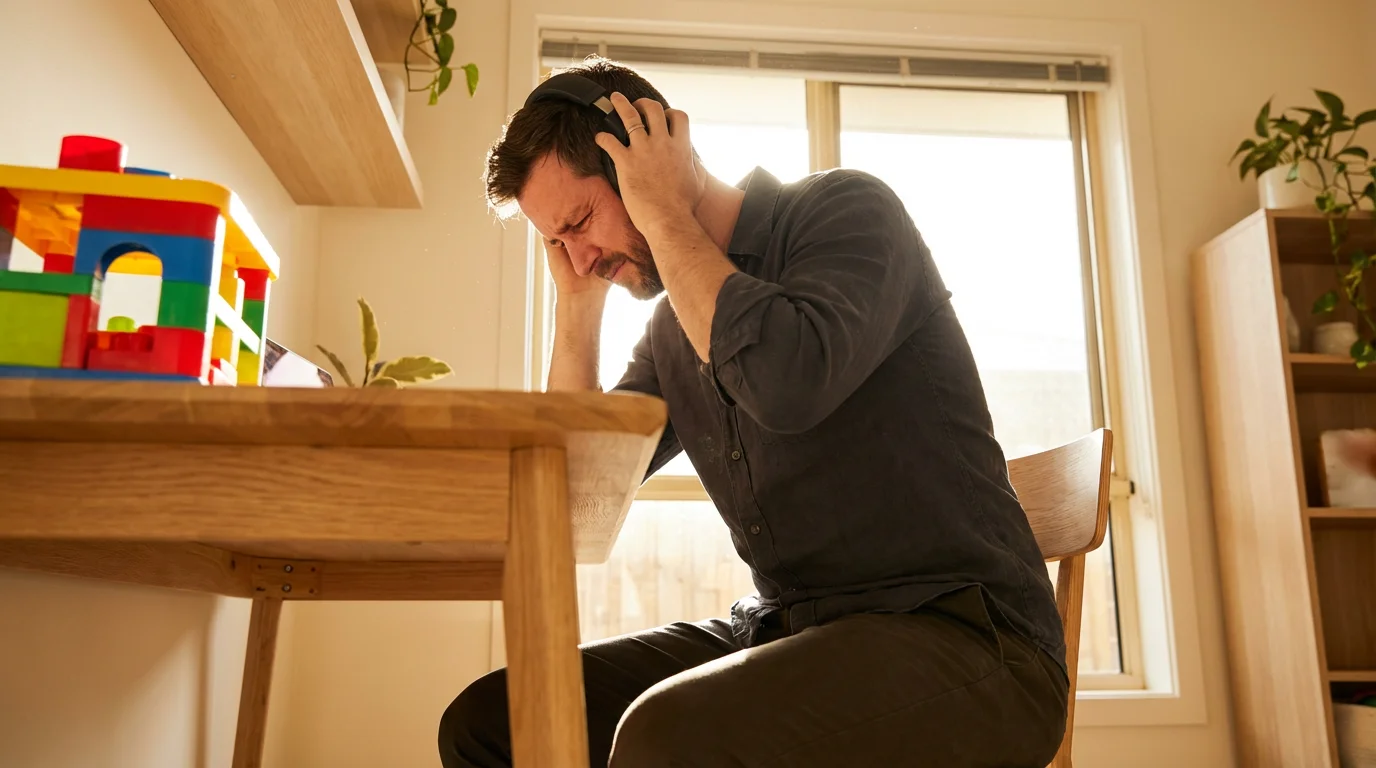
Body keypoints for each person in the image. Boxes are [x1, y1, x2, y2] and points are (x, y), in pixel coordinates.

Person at [439, 56, 1069, 768]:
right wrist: (577, 310)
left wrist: (665, 213)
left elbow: (785, 385)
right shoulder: (673, 331)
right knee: (492, 722)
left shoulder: (846, 213)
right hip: (791, 631)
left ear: (649, 153)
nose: (579, 257)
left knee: (668, 737)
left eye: (581, 222)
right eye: (556, 242)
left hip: (971, 642)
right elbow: (577, 492)